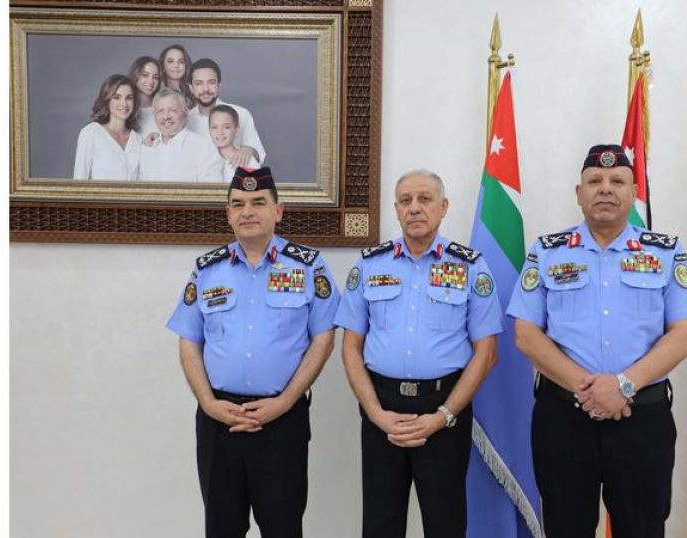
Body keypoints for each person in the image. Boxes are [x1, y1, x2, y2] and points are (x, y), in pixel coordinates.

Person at [507, 144, 687, 538]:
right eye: (594, 181)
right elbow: (526, 335)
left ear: (633, 193)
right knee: (565, 529)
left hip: (641, 418)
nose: (605, 188)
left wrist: (622, 385)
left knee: (642, 529)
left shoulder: (666, 252)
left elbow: (684, 335)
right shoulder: (547, 252)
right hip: (563, 419)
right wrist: (589, 389)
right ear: (578, 192)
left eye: (617, 181)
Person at [166, 166, 340, 538]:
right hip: (219, 421)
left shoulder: (309, 266)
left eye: (258, 202)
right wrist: (209, 403)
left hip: (282, 420)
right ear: (228, 214)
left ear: (278, 211)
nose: (247, 211)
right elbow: (188, 341)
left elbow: (324, 338)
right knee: (222, 529)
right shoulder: (207, 270)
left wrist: (286, 401)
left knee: (283, 528)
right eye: (238, 204)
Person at [335, 169, 502, 538]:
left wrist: (443, 415)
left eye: (425, 199)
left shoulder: (470, 267)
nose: (414, 208)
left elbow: (487, 352)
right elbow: (350, 346)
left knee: (445, 524)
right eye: (406, 201)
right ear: (396, 208)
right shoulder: (369, 265)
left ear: (443, 207)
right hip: (382, 407)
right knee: (380, 524)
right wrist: (375, 414)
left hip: (444, 409)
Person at [187, 58, 266, 168]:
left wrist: (249, 150)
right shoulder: (186, 121)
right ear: (191, 88)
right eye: (199, 83)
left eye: (211, 82)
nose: (205, 89)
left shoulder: (241, 114)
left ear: (219, 86)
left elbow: (258, 156)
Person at [139, 87, 221, 182]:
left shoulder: (205, 149)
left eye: (173, 110)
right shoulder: (147, 148)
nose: (166, 116)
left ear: (185, 112)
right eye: (160, 111)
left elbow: (211, 190)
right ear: (154, 115)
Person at [73, 74, 141, 180]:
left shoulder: (137, 139)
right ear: (107, 100)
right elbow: (79, 180)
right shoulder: (91, 133)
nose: (124, 104)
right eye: (116, 97)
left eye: (129, 98)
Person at [208, 104, 245, 181]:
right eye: (214, 127)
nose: (220, 132)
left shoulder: (246, 160)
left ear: (236, 130)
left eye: (226, 127)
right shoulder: (205, 159)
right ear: (209, 130)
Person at [127, 56, 161, 137]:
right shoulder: (125, 109)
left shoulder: (163, 108)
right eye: (145, 75)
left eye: (155, 77)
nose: (151, 81)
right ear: (135, 75)